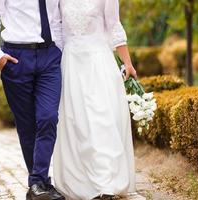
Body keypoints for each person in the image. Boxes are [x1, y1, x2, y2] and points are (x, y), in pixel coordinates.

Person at [53, 0, 138, 199]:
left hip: (99, 62)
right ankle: (82, 181)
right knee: (77, 123)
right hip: (71, 64)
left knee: (103, 120)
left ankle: (106, 184)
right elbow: (56, 29)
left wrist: (128, 63)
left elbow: (114, 25)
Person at [0, 0, 65, 199]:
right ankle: (40, 183)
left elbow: (58, 19)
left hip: (50, 56)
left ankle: (37, 182)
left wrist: (60, 49)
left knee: (48, 118)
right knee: (27, 125)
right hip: (17, 58)